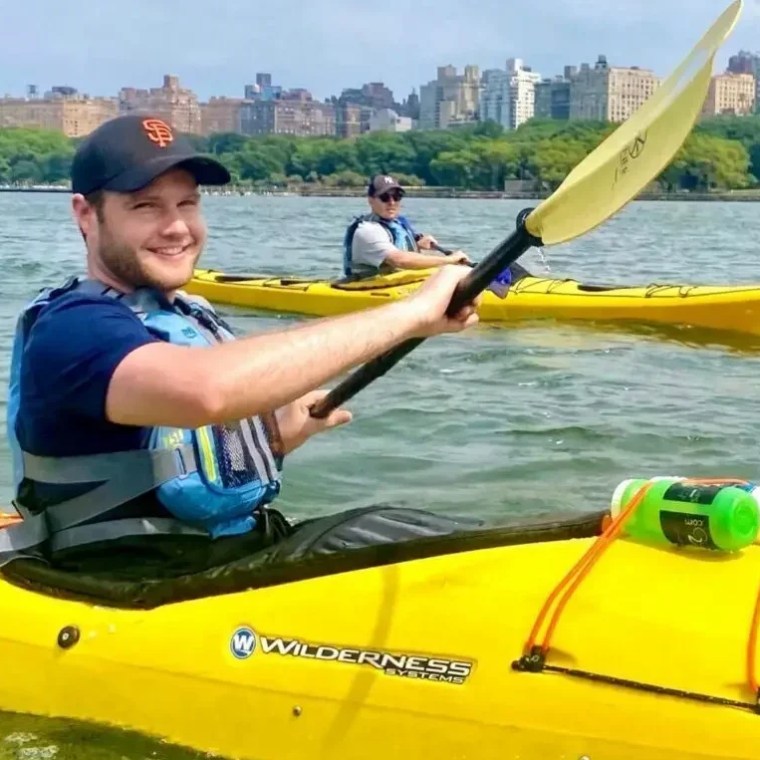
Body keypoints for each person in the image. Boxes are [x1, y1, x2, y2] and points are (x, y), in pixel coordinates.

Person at [1, 114, 479, 576]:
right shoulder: (72, 328)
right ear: (86, 214)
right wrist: (411, 313)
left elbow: (171, 457)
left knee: (413, 537)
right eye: (146, 206)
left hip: (239, 554)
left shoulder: (183, 314)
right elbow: (205, 391)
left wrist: (279, 434)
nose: (177, 228)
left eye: (187, 204)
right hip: (144, 586)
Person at [342, 175, 472, 277]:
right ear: (370, 200)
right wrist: (450, 260)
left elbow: (402, 251)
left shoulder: (397, 224)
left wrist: (417, 244)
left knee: (456, 272)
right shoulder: (368, 230)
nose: (392, 202)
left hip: (397, 284)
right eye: (384, 197)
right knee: (450, 271)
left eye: (397, 197)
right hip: (368, 289)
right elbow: (399, 261)